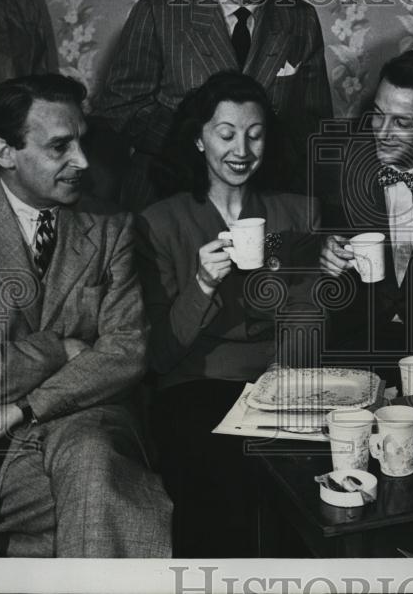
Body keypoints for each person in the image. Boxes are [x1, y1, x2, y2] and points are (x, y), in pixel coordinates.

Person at [0, 74, 172, 558]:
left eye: (82, 141)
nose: (83, 161)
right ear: (5, 152)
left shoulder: (112, 227)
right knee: (106, 497)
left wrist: (20, 407)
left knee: (93, 462)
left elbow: (126, 353)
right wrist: (60, 348)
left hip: (88, 419)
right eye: (60, 147)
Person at [134, 71, 320, 558]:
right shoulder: (160, 223)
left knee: (307, 475)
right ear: (199, 139)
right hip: (196, 383)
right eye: (226, 134)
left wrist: (283, 380)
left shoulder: (299, 213)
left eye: (255, 135)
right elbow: (160, 355)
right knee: (222, 472)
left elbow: (305, 317)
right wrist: (201, 284)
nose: (242, 150)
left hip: (282, 379)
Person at [95, 0, 333, 210]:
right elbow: (120, 109)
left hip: (264, 202)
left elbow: (314, 123)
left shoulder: (300, 19)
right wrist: (195, 142)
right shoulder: (158, 14)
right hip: (167, 196)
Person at [317, 51, 413, 385]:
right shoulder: (337, 169)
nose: (382, 133)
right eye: (378, 115)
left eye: (401, 123)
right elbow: (283, 237)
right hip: (355, 348)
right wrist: (320, 249)